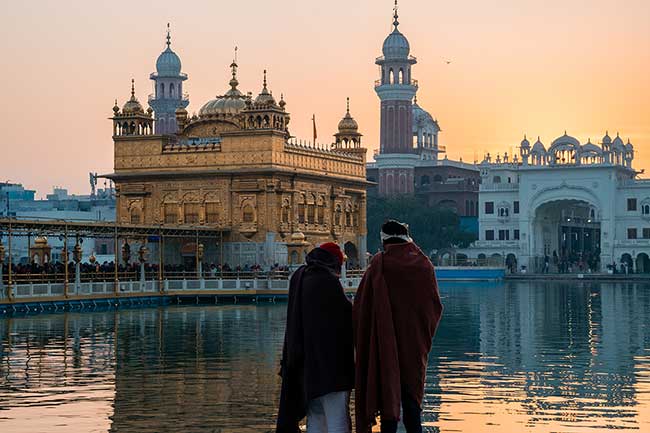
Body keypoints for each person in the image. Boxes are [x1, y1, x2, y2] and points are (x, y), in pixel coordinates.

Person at [353, 220, 443, 433]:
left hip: (384, 343)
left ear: (384, 240)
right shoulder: (424, 264)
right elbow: (435, 307)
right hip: (414, 343)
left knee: (388, 400)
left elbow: (361, 305)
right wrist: (421, 333)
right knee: (412, 402)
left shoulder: (380, 263)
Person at [277, 242, 355, 433]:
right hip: (332, 370)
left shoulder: (300, 277)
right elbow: (348, 318)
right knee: (337, 420)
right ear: (334, 262)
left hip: (305, 367)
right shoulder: (327, 282)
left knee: (315, 418)